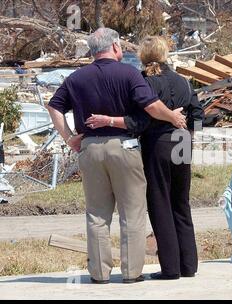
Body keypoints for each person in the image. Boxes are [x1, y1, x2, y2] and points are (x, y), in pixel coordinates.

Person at [47, 28, 186, 284]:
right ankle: (132, 273)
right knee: (131, 212)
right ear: (114, 47)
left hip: (90, 149)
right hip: (124, 147)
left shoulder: (76, 78)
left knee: (97, 214)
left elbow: (53, 106)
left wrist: (69, 137)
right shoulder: (129, 73)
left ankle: (99, 274)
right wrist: (173, 116)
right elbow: (151, 106)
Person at [86, 36, 203, 280]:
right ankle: (189, 265)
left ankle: (171, 269)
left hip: (158, 144)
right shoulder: (185, 82)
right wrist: (190, 133)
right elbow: (199, 115)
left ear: (143, 56)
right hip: (183, 143)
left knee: (160, 204)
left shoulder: (144, 82)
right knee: (181, 203)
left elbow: (141, 120)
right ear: (165, 54)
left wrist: (115, 122)